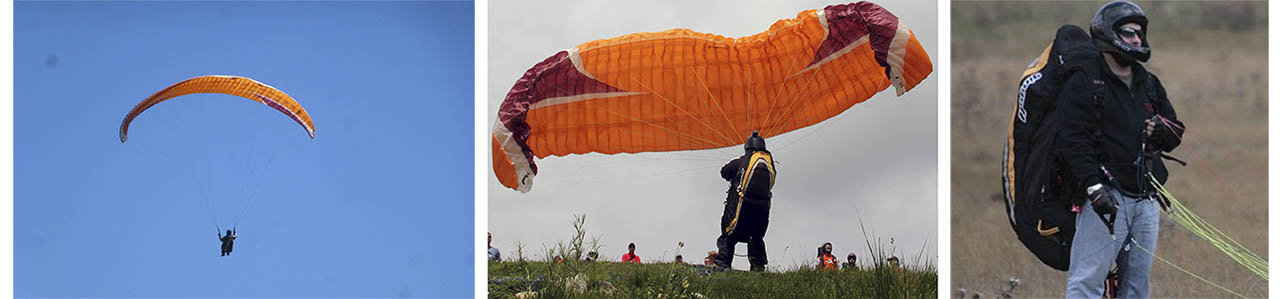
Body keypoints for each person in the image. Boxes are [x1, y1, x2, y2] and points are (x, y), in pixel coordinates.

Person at [1057, 1, 1185, 297]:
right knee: (1087, 281)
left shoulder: (1148, 83)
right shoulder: (1084, 80)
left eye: (1139, 33)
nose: (1137, 40)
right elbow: (1072, 140)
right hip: (1104, 197)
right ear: (1108, 34)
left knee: (1137, 286)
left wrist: (1162, 131)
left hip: (1146, 198)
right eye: (1128, 33)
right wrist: (1093, 187)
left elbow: (1176, 129)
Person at [714, 131, 775, 272]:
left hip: (741, 208)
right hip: (761, 211)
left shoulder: (741, 161)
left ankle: (723, 264)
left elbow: (724, 172)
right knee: (756, 237)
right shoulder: (769, 163)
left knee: (728, 234)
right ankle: (758, 266)